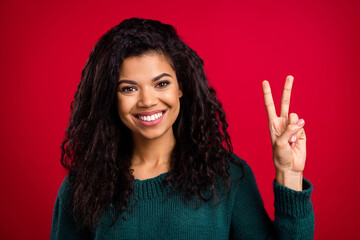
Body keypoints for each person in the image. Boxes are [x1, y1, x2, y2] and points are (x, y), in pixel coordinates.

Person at [51, 18, 314, 239]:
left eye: (161, 84)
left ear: (181, 87)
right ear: (111, 97)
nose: (147, 100)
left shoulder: (226, 175)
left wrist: (289, 173)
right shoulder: (82, 188)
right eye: (129, 88)